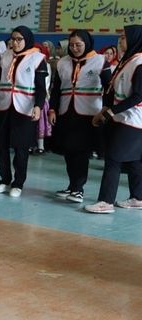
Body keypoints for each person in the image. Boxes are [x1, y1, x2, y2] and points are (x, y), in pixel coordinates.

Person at [49, 30, 111, 203]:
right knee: (69, 151)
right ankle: (71, 185)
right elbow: (56, 89)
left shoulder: (99, 61)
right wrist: (52, 109)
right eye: (72, 45)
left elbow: (108, 88)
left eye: (79, 45)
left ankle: (78, 188)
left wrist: (105, 109)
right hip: (66, 112)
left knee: (81, 153)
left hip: (88, 114)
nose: (75, 48)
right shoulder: (63, 63)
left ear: (87, 44)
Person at [85, 25, 142, 213]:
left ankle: (106, 202)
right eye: (120, 37)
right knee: (133, 160)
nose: (120, 41)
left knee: (113, 158)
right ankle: (138, 197)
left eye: (124, 37)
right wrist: (106, 110)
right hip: (121, 117)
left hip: (133, 120)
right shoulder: (127, 60)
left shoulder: (140, 63)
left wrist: (112, 111)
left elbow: (138, 96)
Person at [0, 26, 48, 198]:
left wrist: (38, 106)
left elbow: (41, 87)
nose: (15, 43)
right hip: (4, 106)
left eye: (19, 39)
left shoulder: (37, 58)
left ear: (27, 40)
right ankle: (4, 180)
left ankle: (18, 183)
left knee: (21, 148)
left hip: (24, 108)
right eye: (13, 39)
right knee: (1, 145)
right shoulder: (5, 56)